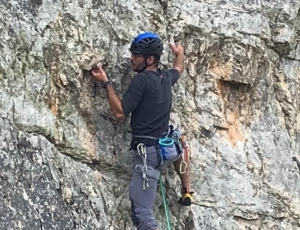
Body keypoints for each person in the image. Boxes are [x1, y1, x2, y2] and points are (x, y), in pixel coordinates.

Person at [91, 32, 193, 230]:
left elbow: (120, 113)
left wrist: (106, 83)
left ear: (150, 59)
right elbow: (178, 67)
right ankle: (187, 189)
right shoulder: (166, 77)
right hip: (168, 149)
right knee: (179, 140)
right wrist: (179, 52)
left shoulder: (141, 81)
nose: (131, 58)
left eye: (135, 55)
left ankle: (185, 190)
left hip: (149, 155)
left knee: (143, 216)